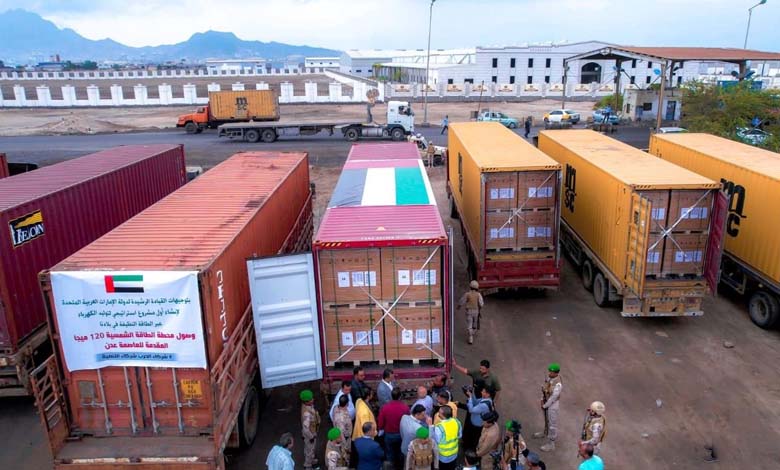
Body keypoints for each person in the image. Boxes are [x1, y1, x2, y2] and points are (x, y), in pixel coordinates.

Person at [378, 388, 409, 468]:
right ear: (400, 396)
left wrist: (381, 429)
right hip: (401, 434)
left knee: (389, 454)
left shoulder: (385, 407)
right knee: (400, 453)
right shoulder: (405, 407)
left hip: (389, 435)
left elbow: (380, 423)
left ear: (391, 396)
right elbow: (408, 421)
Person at [534, 363, 562, 452]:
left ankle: (551, 443)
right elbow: (544, 389)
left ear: (556, 373)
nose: (549, 373)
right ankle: (545, 432)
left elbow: (554, 397)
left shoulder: (558, 384)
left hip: (552, 405)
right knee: (546, 420)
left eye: (551, 372)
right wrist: (542, 399)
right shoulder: (550, 378)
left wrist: (545, 405)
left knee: (552, 425)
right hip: (546, 401)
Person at [464, 384, 495, 451]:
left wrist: (469, 398)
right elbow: (475, 402)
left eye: (483, 392)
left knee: (473, 440)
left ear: (488, 394)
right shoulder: (487, 400)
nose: (481, 392)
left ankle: (470, 451)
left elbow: (471, 410)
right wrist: (471, 394)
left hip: (476, 426)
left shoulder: (484, 405)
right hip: (476, 423)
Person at [433, 405, 461, 470]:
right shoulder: (457, 422)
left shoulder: (439, 428)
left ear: (442, 415)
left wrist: (430, 427)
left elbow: (435, 441)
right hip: (454, 454)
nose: (438, 413)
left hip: (443, 457)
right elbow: (459, 435)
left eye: (439, 412)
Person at [457, 280, 484, 344]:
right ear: (477, 287)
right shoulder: (478, 295)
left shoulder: (467, 294)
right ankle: (472, 333)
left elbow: (462, 301)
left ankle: (470, 336)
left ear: (470, 287)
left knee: (469, 324)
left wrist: (459, 306)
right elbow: (481, 304)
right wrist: (480, 308)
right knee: (474, 324)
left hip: (469, 311)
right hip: (476, 311)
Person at [300, 389, 321, 470]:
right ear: (306, 402)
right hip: (310, 435)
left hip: (311, 432)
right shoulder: (307, 414)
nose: (313, 399)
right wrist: (311, 437)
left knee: (309, 449)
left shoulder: (307, 406)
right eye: (311, 399)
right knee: (310, 450)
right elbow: (306, 429)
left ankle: (311, 460)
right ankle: (308, 466)